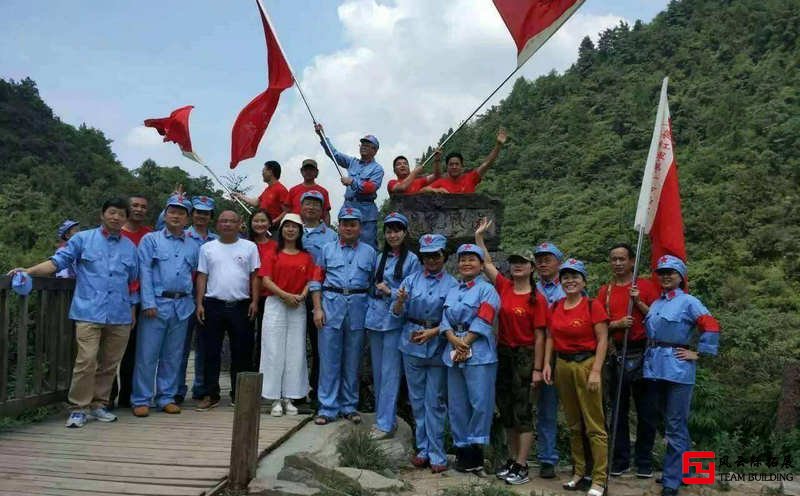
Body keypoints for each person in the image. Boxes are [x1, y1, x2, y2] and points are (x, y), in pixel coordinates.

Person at [7, 198, 138, 428]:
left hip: (119, 313)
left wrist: (133, 308)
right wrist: (28, 271)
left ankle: (99, 404)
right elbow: (57, 262)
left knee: (109, 364)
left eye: (121, 214)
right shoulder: (83, 239)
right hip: (89, 310)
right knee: (86, 361)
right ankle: (78, 408)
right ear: (102, 214)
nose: (116, 217)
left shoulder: (130, 247)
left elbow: (133, 281)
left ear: (126, 219)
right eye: (112, 212)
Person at [474, 219, 548, 485]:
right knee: (506, 409)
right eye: (514, 262)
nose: (517, 266)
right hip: (503, 352)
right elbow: (488, 264)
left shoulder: (537, 299)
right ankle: (512, 458)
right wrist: (479, 238)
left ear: (531, 268)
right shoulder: (504, 286)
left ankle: (523, 463)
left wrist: (538, 369)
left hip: (526, 356)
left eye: (523, 263)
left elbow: (540, 336)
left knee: (523, 410)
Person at [644, 255, 719, 496]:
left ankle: (672, 480)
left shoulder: (689, 301)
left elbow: (711, 325)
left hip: (678, 369)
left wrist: (699, 353)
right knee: (668, 422)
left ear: (681, 277)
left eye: (671, 272)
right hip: (655, 366)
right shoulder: (657, 303)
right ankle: (685, 472)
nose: (666, 276)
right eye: (662, 272)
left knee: (675, 424)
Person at [543, 259, 609, 496]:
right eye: (566, 277)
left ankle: (600, 479)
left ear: (584, 280)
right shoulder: (556, 306)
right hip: (563, 364)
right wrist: (547, 365)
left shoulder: (593, 305)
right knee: (573, 423)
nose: (570, 281)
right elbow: (550, 337)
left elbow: (603, 339)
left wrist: (596, 371)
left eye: (575, 277)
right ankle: (579, 472)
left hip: (586, 363)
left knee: (594, 424)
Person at [392, 234, 458, 473]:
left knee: (436, 401)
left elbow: (456, 319)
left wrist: (434, 332)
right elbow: (397, 313)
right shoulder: (410, 281)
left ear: (444, 256)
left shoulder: (452, 284)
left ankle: (438, 453)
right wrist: (399, 302)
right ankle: (422, 449)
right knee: (417, 401)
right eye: (427, 256)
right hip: (412, 343)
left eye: (436, 255)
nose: (431, 260)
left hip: (439, 344)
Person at [309, 206, 377, 425]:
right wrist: (317, 308)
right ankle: (327, 407)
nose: (348, 227)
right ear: (339, 226)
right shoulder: (326, 250)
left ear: (360, 227)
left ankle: (349, 406)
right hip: (331, 307)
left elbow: (374, 285)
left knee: (352, 360)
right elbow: (316, 281)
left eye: (353, 224)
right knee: (329, 360)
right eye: (345, 223)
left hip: (359, 308)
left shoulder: (370, 252)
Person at [131, 195, 198, 416]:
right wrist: (148, 301)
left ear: (187, 218)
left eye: (181, 212)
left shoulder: (193, 245)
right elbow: (145, 272)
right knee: (147, 354)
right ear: (165, 214)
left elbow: (196, 274)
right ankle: (141, 398)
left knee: (173, 355)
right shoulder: (151, 240)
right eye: (172, 211)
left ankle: (166, 397)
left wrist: (196, 303)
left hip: (183, 305)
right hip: (156, 304)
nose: (176, 216)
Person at [598, 243, 660, 478]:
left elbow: (659, 318)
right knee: (618, 411)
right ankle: (620, 460)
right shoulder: (606, 291)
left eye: (622, 259)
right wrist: (617, 324)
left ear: (632, 261)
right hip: (617, 354)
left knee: (647, 411)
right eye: (613, 259)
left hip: (644, 352)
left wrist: (640, 303)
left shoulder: (645, 286)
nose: (618, 263)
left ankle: (644, 461)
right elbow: (600, 323)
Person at [441, 243, 501, 473]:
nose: (466, 263)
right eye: (463, 259)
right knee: (457, 403)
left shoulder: (487, 289)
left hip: (479, 353)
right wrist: (451, 337)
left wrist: (465, 341)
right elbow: (444, 316)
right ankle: (461, 448)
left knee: (479, 402)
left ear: (480, 264)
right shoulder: (453, 289)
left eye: (471, 259)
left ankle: (476, 451)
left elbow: (485, 316)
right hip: (453, 349)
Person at [194, 210, 261, 411]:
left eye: (232, 221)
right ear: (217, 224)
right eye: (223, 221)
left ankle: (239, 394)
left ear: (240, 223)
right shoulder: (207, 248)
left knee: (242, 352)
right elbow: (202, 276)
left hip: (241, 305)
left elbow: (255, 276)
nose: (227, 224)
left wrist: (255, 301)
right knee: (210, 351)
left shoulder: (249, 247)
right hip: (212, 304)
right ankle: (210, 394)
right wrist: (199, 303)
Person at [365, 212, 421, 439]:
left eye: (397, 230)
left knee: (390, 372)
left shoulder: (412, 260)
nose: (393, 235)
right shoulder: (380, 258)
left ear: (405, 233)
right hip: (375, 318)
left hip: (396, 321)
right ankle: (382, 416)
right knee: (378, 372)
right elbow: (371, 287)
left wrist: (390, 292)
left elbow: (413, 294)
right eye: (389, 231)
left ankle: (386, 423)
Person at [258, 213, 317, 416]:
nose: (290, 230)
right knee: (273, 349)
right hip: (276, 303)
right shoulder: (273, 253)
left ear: (300, 231)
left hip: (297, 306)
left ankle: (290, 397)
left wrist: (301, 296)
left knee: (295, 350)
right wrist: (285, 296)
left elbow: (311, 280)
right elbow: (265, 279)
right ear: (281, 229)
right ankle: (274, 398)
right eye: (287, 226)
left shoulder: (306, 256)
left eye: (295, 227)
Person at [176, 195, 219, 404]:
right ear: (191, 214)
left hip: (208, 298)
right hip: (184, 296)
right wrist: (175, 199)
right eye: (198, 212)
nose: (201, 216)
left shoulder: (216, 240)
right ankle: (176, 389)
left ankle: (200, 387)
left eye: (206, 213)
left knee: (204, 345)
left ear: (211, 216)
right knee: (180, 346)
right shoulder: (182, 236)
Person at [314, 123, 384, 249]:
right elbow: (334, 154)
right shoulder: (352, 162)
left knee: (367, 247)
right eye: (362, 144)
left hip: (366, 213)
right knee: (344, 244)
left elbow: (371, 187)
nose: (363, 147)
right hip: (348, 208)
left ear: (375, 150)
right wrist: (322, 136)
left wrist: (352, 182)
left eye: (367, 145)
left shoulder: (377, 169)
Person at [113, 194, 153, 409]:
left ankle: (127, 396)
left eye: (143, 206)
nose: (139, 209)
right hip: (116, 299)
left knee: (134, 351)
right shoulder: (116, 233)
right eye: (134, 205)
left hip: (142, 300)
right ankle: (107, 397)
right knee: (109, 350)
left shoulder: (150, 235)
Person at [299, 190, 338, 403]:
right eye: (308, 203)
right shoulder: (291, 229)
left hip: (319, 297)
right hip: (291, 296)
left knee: (319, 345)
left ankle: (316, 391)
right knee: (294, 345)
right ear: (301, 207)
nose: (312, 207)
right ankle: (293, 392)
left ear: (322, 210)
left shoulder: (332, 236)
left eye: (316, 204)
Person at [532, 241, 565, 478]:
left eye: (548, 259)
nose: (543, 263)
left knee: (579, 409)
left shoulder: (570, 286)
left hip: (566, 354)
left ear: (559, 263)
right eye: (539, 259)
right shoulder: (530, 289)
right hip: (537, 354)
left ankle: (583, 460)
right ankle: (547, 458)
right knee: (545, 408)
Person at [420, 129, 507, 194]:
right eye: (451, 164)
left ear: (462, 166)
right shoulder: (441, 182)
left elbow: (486, 164)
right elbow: (422, 190)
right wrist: (437, 190)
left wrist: (498, 145)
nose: (454, 167)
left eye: (457, 164)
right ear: (447, 167)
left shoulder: (471, 178)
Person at [233, 160, 289, 228]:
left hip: (274, 230)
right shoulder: (267, 190)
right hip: (264, 228)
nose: (262, 173)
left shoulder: (281, 189)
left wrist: (274, 221)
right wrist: (239, 196)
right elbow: (256, 202)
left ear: (270, 172)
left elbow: (287, 211)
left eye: (264, 170)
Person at [286, 159, 332, 225]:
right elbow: (287, 211)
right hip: (296, 228)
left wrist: (327, 231)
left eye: (311, 169)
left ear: (317, 172)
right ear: (301, 171)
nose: (308, 172)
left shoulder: (323, 191)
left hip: (315, 228)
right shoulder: (293, 190)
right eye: (306, 169)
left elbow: (326, 214)